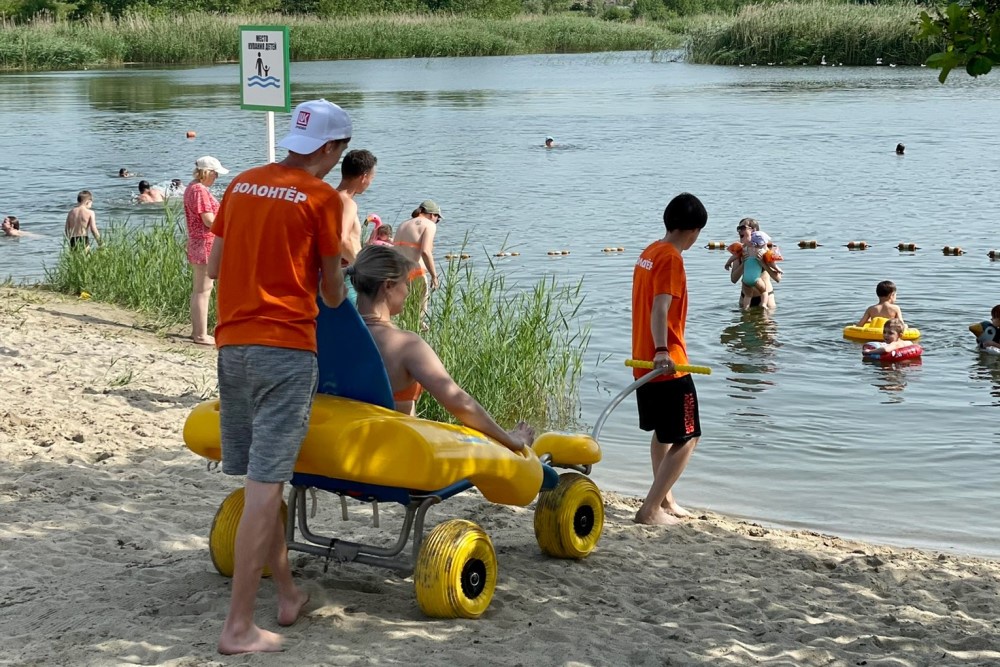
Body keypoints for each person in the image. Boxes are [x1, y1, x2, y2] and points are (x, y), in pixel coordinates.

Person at [206, 98, 350, 655]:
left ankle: (286, 594)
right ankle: (238, 626)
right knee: (267, 489)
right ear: (333, 151)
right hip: (286, 349)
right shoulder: (323, 199)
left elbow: (215, 266)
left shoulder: (241, 183)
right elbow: (334, 292)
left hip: (232, 345)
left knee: (260, 484)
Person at [349, 245, 534, 450]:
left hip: (347, 452)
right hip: (397, 458)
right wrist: (512, 440)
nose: (409, 291)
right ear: (388, 286)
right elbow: (458, 402)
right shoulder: (406, 345)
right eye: (406, 283)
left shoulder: (333, 335)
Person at [631, 193, 708, 526]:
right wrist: (663, 350)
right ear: (692, 230)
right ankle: (650, 510)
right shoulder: (672, 258)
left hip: (642, 360)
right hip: (668, 364)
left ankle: (665, 500)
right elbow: (659, 308)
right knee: (689, 436)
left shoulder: (650, 251)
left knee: (664, 433)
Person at [184, 156, 228, 346]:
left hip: (196, 241)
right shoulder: (200, 191)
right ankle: (200, 334)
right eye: (215, 174)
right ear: (207, 173)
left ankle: (198, 331)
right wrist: (230, 226)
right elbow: (209, 220)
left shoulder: (191, 187)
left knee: (200, 290)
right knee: (203, 290)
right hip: (204, 243)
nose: (217, 177)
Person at [394, 200, 442, 326]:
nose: (437, 222)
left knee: (404, 313)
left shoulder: (403, 224)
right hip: (415, 273)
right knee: (419, 315)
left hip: (397, 274)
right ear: (432, 215)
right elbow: (425, 251)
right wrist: (434, 276)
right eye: (438, 218)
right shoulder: (429, 225)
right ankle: (416, 339)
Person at [335, 149, 377, 266]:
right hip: (347, 270)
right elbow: (342, 240)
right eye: (371, 178)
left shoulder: (329, 197)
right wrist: (360, 266)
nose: (370, 182)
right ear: (364, 177)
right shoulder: (348, 203)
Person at [727, 218, 777, 310]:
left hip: (766, 297)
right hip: (745, 298)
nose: (739, 231)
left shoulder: (766, 251)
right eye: (738, 228)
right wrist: (744, 263)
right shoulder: (739, 252)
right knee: (745, 322)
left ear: (753, 231)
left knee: (765, 322)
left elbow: (777, 278)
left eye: (742, 228)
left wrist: (763, 263)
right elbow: (733, 279)